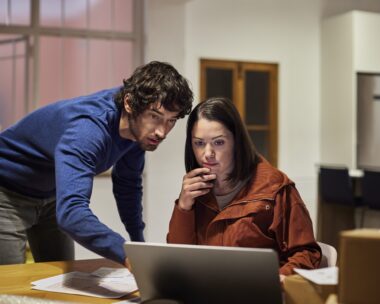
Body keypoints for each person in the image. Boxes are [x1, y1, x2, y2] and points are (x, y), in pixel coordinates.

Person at [0, 61, 193, 266]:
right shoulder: (88, 131)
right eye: (155, 117)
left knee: (58, 282)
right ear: (129, 103)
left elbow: (127, 184)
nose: (161, 131)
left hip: (50, 194)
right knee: (8, 286)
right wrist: (125, 253)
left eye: (171, 120)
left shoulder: (140, 131)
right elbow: (72, 213)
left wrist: (138, 245)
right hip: (6, 192)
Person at [167, 97, 321, 280]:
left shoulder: (275, 187)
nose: (207, 154)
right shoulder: (194, 192)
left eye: (218, 142)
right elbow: (177, 261)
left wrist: (271, 283)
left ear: (236, 142)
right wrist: (184, 207)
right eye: (199, 143)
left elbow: (307, 254)